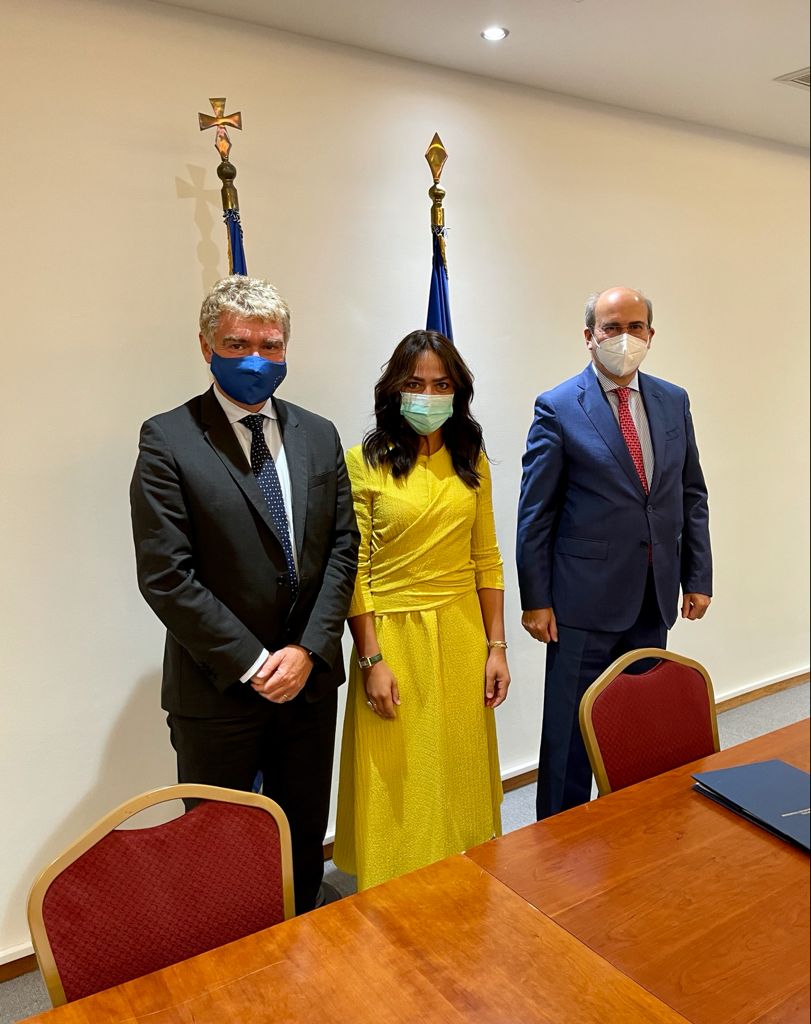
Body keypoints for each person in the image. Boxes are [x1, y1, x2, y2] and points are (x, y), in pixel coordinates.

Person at [130, 275, 359, 913]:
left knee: (302, 837)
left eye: (270, 345)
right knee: (216, 852)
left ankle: (305, 938)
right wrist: (256, 663)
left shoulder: (318, 434)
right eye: (237, 344)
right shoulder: (167, 439)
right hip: (219, 689)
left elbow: (343, 550)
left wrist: (308, 650)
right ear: (206, 347)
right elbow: (166, 575)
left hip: (308, 684)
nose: (256, 358)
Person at [517, 286, 712, 819]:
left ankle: (635, 832)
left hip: (653, 595)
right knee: (569, 735)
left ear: (650, 334)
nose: (624, 338)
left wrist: (697, 576)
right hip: (581, 603)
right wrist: (536, 599)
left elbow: (690, 493)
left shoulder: (673, 400)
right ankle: (557, 843)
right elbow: (536, 512)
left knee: (641, 727)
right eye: (611, 327)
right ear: (589, 336)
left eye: (635, 327)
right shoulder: (558, 407)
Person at [333, 330, 510, 891]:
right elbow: (355, 571)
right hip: (392, 636)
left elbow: (486, 557)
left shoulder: (471, 459)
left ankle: (464, 882)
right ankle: (395, 892)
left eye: (441, 384)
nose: (428, 395)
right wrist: (371, 660)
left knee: (458, 762)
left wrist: (497, 648)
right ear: (394, 390)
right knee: (400, 772)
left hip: (461, 633)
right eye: (415, 383)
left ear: (457, 392)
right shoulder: (362, 463)